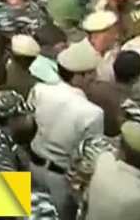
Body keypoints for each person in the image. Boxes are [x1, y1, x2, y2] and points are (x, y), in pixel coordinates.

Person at [29, 41, 105, 219]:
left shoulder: (40, 90)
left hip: (32, 165)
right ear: (77, 77)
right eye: (90, 73)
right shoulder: (93, 113)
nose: (95, 76)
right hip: (60, 179)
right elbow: (88, 158)